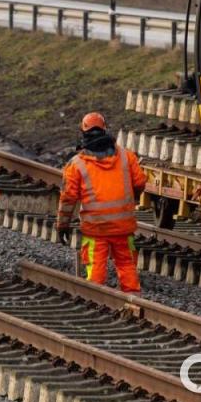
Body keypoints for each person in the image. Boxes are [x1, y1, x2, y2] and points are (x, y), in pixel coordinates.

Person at [56, 112, 147, 293]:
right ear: (105, 129)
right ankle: (133, 303)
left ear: (83, 132)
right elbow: (140, 183)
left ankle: (96, 301)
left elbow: (68, 199)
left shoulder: (77, 164)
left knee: (96, 270)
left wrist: (62, 225)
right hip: (123, 227)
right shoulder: (126, 157)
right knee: (127, 265)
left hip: (95, 229)